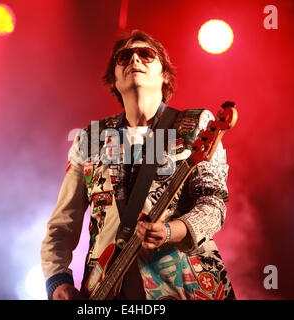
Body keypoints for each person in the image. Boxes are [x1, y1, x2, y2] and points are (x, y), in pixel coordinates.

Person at [41, 30, 235, 300]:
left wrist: (170, 231)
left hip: (183, 287)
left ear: (164, 74)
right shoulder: (90, 138)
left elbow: (213, 206)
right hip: (106, 288)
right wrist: (58, 280)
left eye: (146, 54)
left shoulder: (195, 124)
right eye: (124, 57)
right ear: (114, 80)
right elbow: (62, 224)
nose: (135, 58)